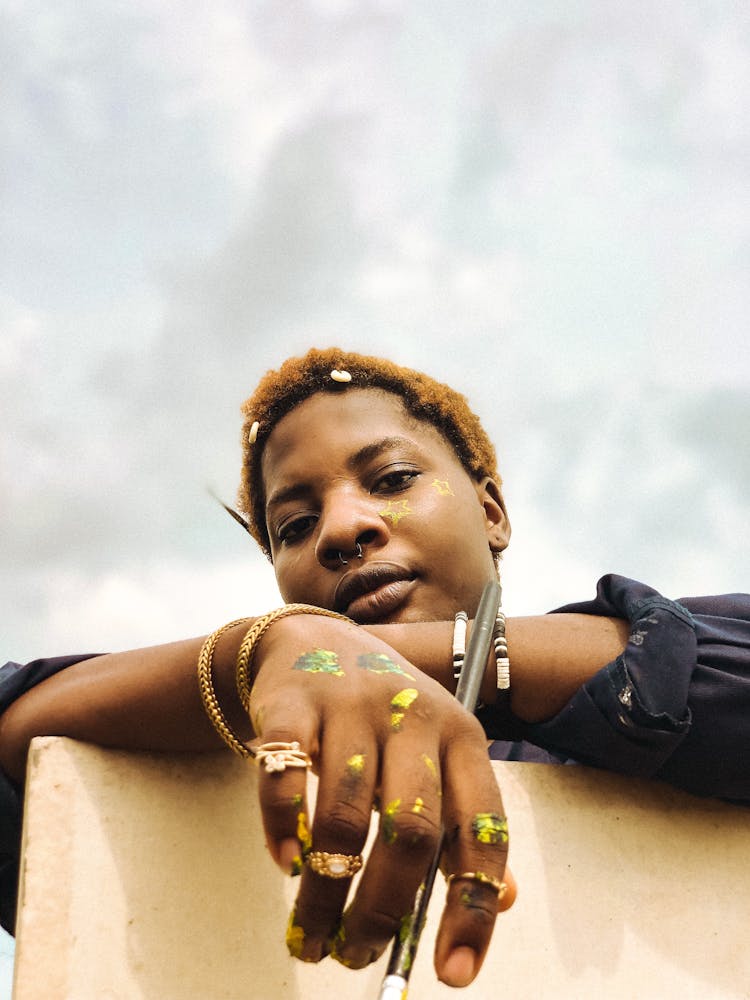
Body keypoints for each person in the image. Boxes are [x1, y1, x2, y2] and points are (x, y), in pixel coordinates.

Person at [1, 347, 748, 988]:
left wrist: (348, 651)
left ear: (492, 512)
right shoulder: (269, 750)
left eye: (390, 480)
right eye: (293, 525)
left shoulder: (678, 649)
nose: (343, 528)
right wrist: (259, 651)